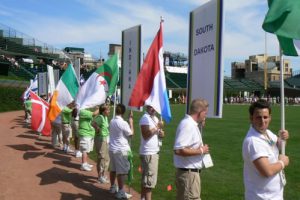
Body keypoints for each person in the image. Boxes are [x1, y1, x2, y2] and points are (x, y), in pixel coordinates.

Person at [242, 99, 289, 200]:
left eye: (265, 117)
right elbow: (266, 171)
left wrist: (282, 139)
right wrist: (282, 162)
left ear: (270, 118)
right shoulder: (253, 141)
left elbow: (278, 147)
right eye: (258, 117)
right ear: (251, 118)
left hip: (272, 195)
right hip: (261, 196)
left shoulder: (267, 133)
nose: (262, 121)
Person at [173, 98, 210, 200]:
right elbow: (179, 150)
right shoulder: (187, 125)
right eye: (205, 113)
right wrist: (201, 150)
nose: (205, 116)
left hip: (189, 175)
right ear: (200, 112)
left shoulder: (190, 124)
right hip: (188, 175)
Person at [109, 104, 134, 199]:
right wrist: (131, 122)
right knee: (122, 172)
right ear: (123, 112)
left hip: (112, 149)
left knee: (113, 170)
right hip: (121, 150)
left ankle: (112, 187)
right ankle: (121, 191)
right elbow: (131, 134)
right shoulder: (123, 123)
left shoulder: (112, 120)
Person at [139, 105, 164, 200]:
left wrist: (161, 134)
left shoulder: (156, 118)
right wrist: (157, 126)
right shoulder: (145, 118)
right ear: (147, 107)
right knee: (149, 181)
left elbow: (158, 134)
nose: (153, 109)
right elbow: (145, 135)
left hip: (153, 152)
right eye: (151, 107)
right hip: (149, 153)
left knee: (146, 179)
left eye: (154, 107)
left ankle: (142, 198)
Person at [92, 103, 110, 184]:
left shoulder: (105, 117)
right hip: (100, 139)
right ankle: (100, 176)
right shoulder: (100, 117)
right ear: (103, 111)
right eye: (108, 110)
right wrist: (97, 128)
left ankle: (103, 174)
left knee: (107, 158)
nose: (109, 111)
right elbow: (93, 123)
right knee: (101, 157)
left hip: (106, 139)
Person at [78, 107, 99, 171]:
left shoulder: (86, 110)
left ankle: (86, 162)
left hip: (89, 133)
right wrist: (99, 108)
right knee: (85, 149)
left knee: (88, 149)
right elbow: (94, 114)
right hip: (85, 133)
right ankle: (83, 164)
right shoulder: (82, 111)